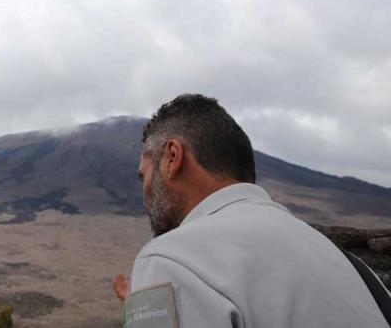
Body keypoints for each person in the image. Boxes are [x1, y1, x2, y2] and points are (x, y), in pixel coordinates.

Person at [111, 93, 388, 327]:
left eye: (143, 176)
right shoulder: (340, 260)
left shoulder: (172, 258)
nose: (144, 194)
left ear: (172, 157)